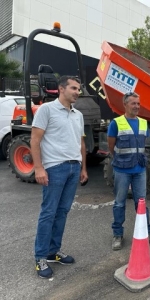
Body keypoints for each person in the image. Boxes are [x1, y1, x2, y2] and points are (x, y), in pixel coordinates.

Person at [31, 76, 88, 279]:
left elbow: (80, 143)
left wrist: (83, 168)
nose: (77, 92)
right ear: (61, 89)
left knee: (62, 212)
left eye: (79, 89)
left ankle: (53, 252)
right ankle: (40, 257)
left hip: (74, 168)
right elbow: (35, 139)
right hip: (55, 168)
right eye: (74, 88)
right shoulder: (47, 110)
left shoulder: (78, 115)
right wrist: (39, 168)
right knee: (48, 212)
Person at [107, 91, 150, 251]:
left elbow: (143, 143)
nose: (137, 106)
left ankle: (147, 233)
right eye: (133, 103)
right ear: (125, 104)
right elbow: (111, 146)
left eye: (138, 103)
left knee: (142, 204)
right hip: (122, 169)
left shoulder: (143, 123)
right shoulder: (116, 123)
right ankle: (117, 234)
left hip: (140, 170)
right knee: (119, 203)